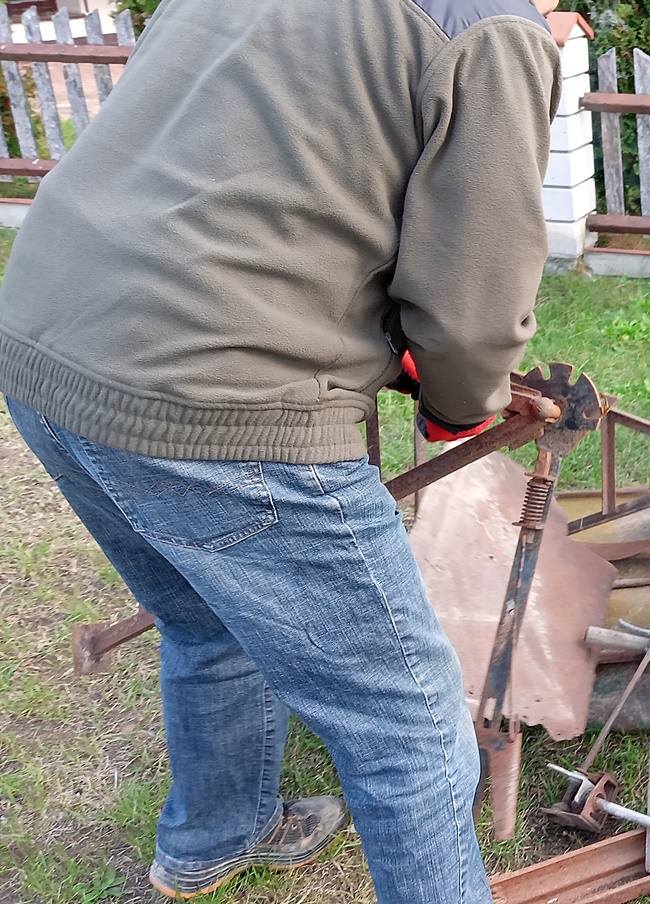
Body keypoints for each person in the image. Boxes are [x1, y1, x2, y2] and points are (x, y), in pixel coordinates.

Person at [0, 0, 562, 899]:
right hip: (222, 397)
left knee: (202, 616)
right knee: (406, 727)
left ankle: (215, 836)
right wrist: (457, 412)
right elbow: (473, 311)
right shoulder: (491, 30)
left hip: (46, 344)